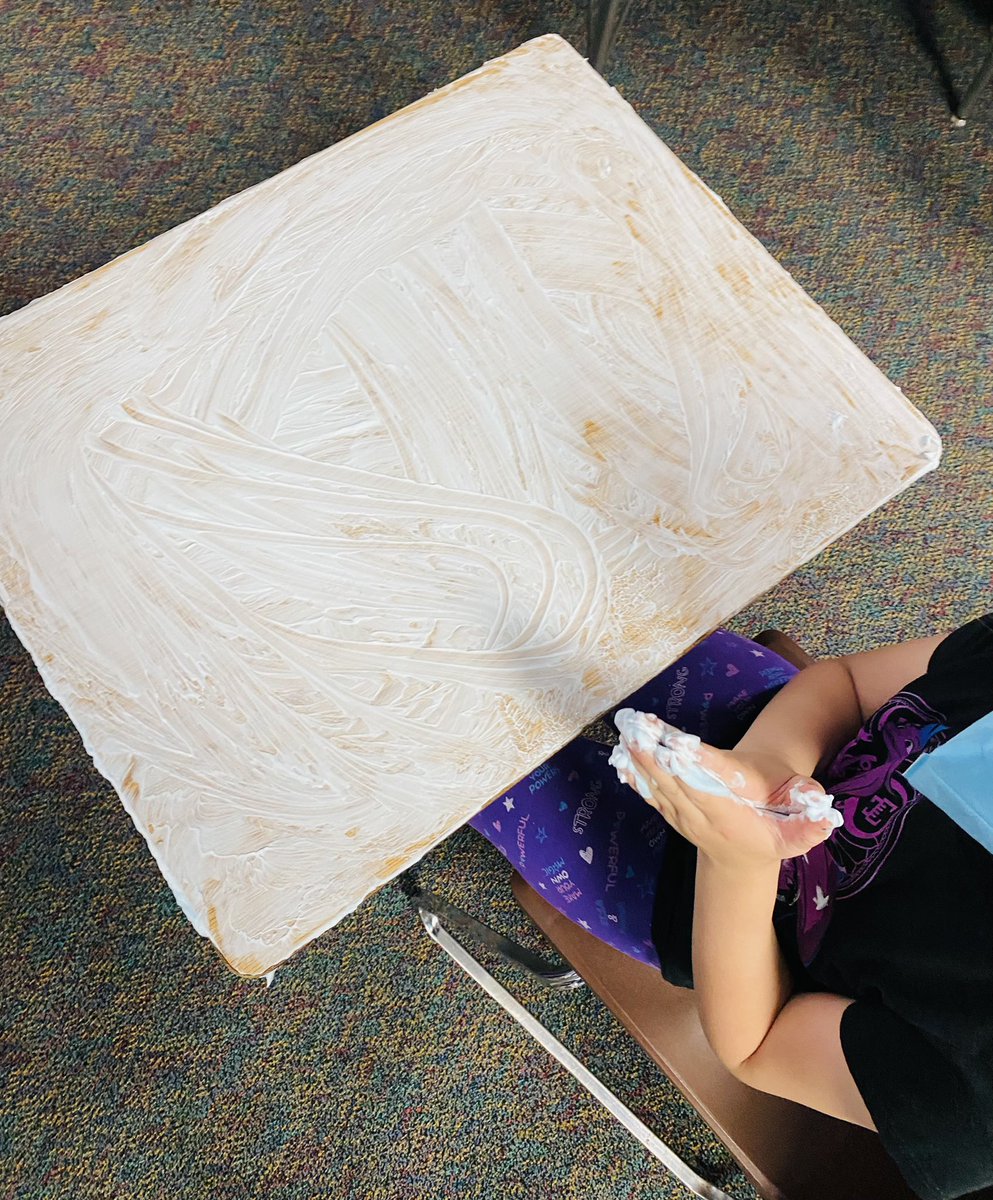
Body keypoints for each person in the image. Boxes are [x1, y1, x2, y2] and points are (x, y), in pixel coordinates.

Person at [470, 617, 993, 1200]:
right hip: (772, 723)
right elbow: (846, 683)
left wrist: (738, 860)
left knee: (446, 741)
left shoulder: (977, 1110)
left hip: (680, 900)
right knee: (561, 601)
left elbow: (759, 1043)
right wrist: (766, 764)